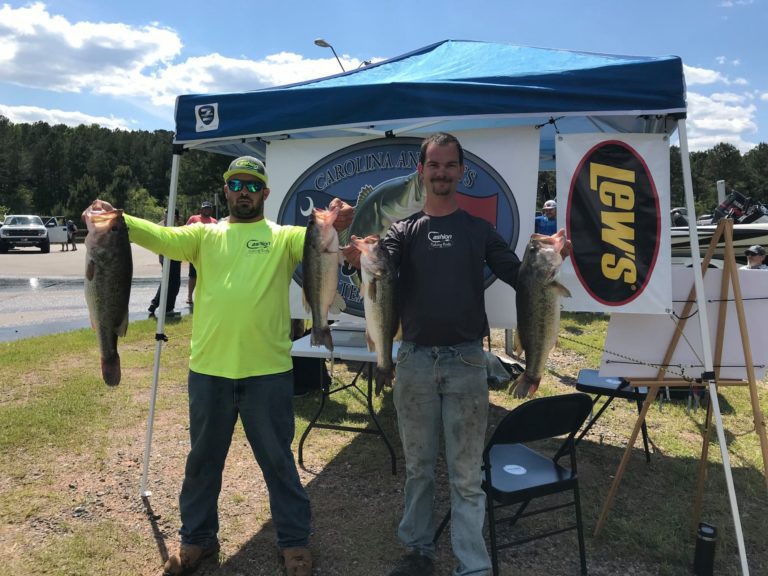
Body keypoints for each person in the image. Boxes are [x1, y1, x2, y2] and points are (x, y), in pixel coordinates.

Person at [87, 155, 352, 576]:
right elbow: (161, 236)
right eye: (237, 184)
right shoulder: (203, 235)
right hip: (209, 371)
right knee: (202, 463)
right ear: (226, 190)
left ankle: (294, 541)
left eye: (253, 186)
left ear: (265, 193)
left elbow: (322, 244)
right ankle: (197, 539)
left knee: (278, 463)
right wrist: (118, 219)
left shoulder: (282, 237)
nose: (244, 192)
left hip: (268, 372)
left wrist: (340, 222)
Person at [343, 133, 570, 576]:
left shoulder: (478, 230)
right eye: (434, 165)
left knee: (466, 475)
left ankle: (473, 565)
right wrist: (358, 256)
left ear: (461, 172)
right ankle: (418, 552)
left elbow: (520, 277)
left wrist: (551, 258)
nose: (441, 173)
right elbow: (379, 267)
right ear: (421, 171)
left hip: (466, 363)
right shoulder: (402, 232)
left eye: (449, 165)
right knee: (419, 469)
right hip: (413, 362)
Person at [148, 208, 182, 318]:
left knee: (167, 281)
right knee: (174, 283)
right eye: (166, 216)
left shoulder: (177, 227)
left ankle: (155, 303)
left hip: (175, 256)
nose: (167, 218)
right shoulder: (162, 227)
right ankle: (168, 309)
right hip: (168, 256)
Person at [185, 201, 217, 307]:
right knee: (193, 275)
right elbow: (186, 231)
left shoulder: (214, 221)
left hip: (209, 252)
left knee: (209, 275)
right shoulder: (194, 219)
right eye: (205, 208)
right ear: (201, 209)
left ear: (211, 210)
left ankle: (207, 297)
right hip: (196, 251)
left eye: (208, 208)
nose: (207, 210)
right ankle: (189, 296)